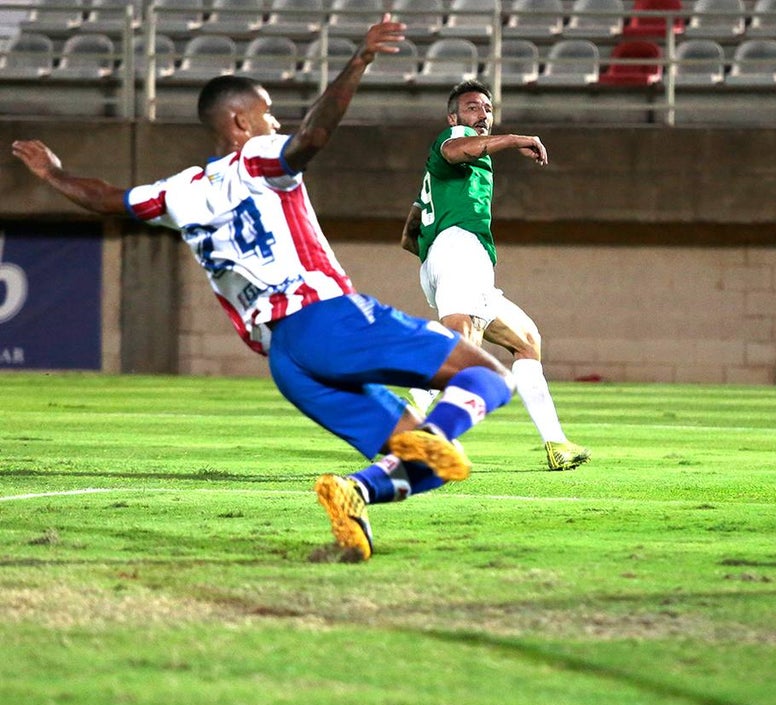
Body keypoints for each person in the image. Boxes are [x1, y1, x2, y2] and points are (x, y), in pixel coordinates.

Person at [11, 16, 517, 563]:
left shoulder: (178, 192)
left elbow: (109, 199)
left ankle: (355, 493)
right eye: (267, 111)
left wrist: (54, 174)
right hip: (325, 318)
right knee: (489, 375)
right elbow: (312, 138)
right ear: (239, 121)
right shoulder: (256, 158)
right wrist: (359, 60)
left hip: (286, 362)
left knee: (420, 466)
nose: (274, 120)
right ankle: (435, 435)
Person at [400, 79, 590, 472]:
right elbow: (457, 148)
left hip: (445, 257)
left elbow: (409, 233)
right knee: (462, 347)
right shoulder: (456, 137)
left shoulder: (437, 181)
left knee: (526, 339)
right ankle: (413, 431)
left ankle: (556, 444)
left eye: (486, 108)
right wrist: (517, 139)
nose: (481, 115)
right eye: (472, 108)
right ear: (453, 116)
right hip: (460, 251)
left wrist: (433, 253)